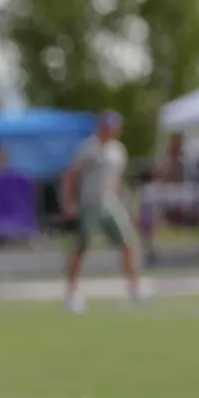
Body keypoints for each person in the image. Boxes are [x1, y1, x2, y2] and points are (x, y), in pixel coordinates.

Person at [61, 110, 143, 313]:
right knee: (82, 247)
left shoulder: (118, 151)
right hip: (90, 203)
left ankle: (134, 289)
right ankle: (72, 293)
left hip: (111, 204)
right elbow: (72, 175)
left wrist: (125, 204)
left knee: (128, 244)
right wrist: (69, 202)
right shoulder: (88, 148)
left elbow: (118, 180)